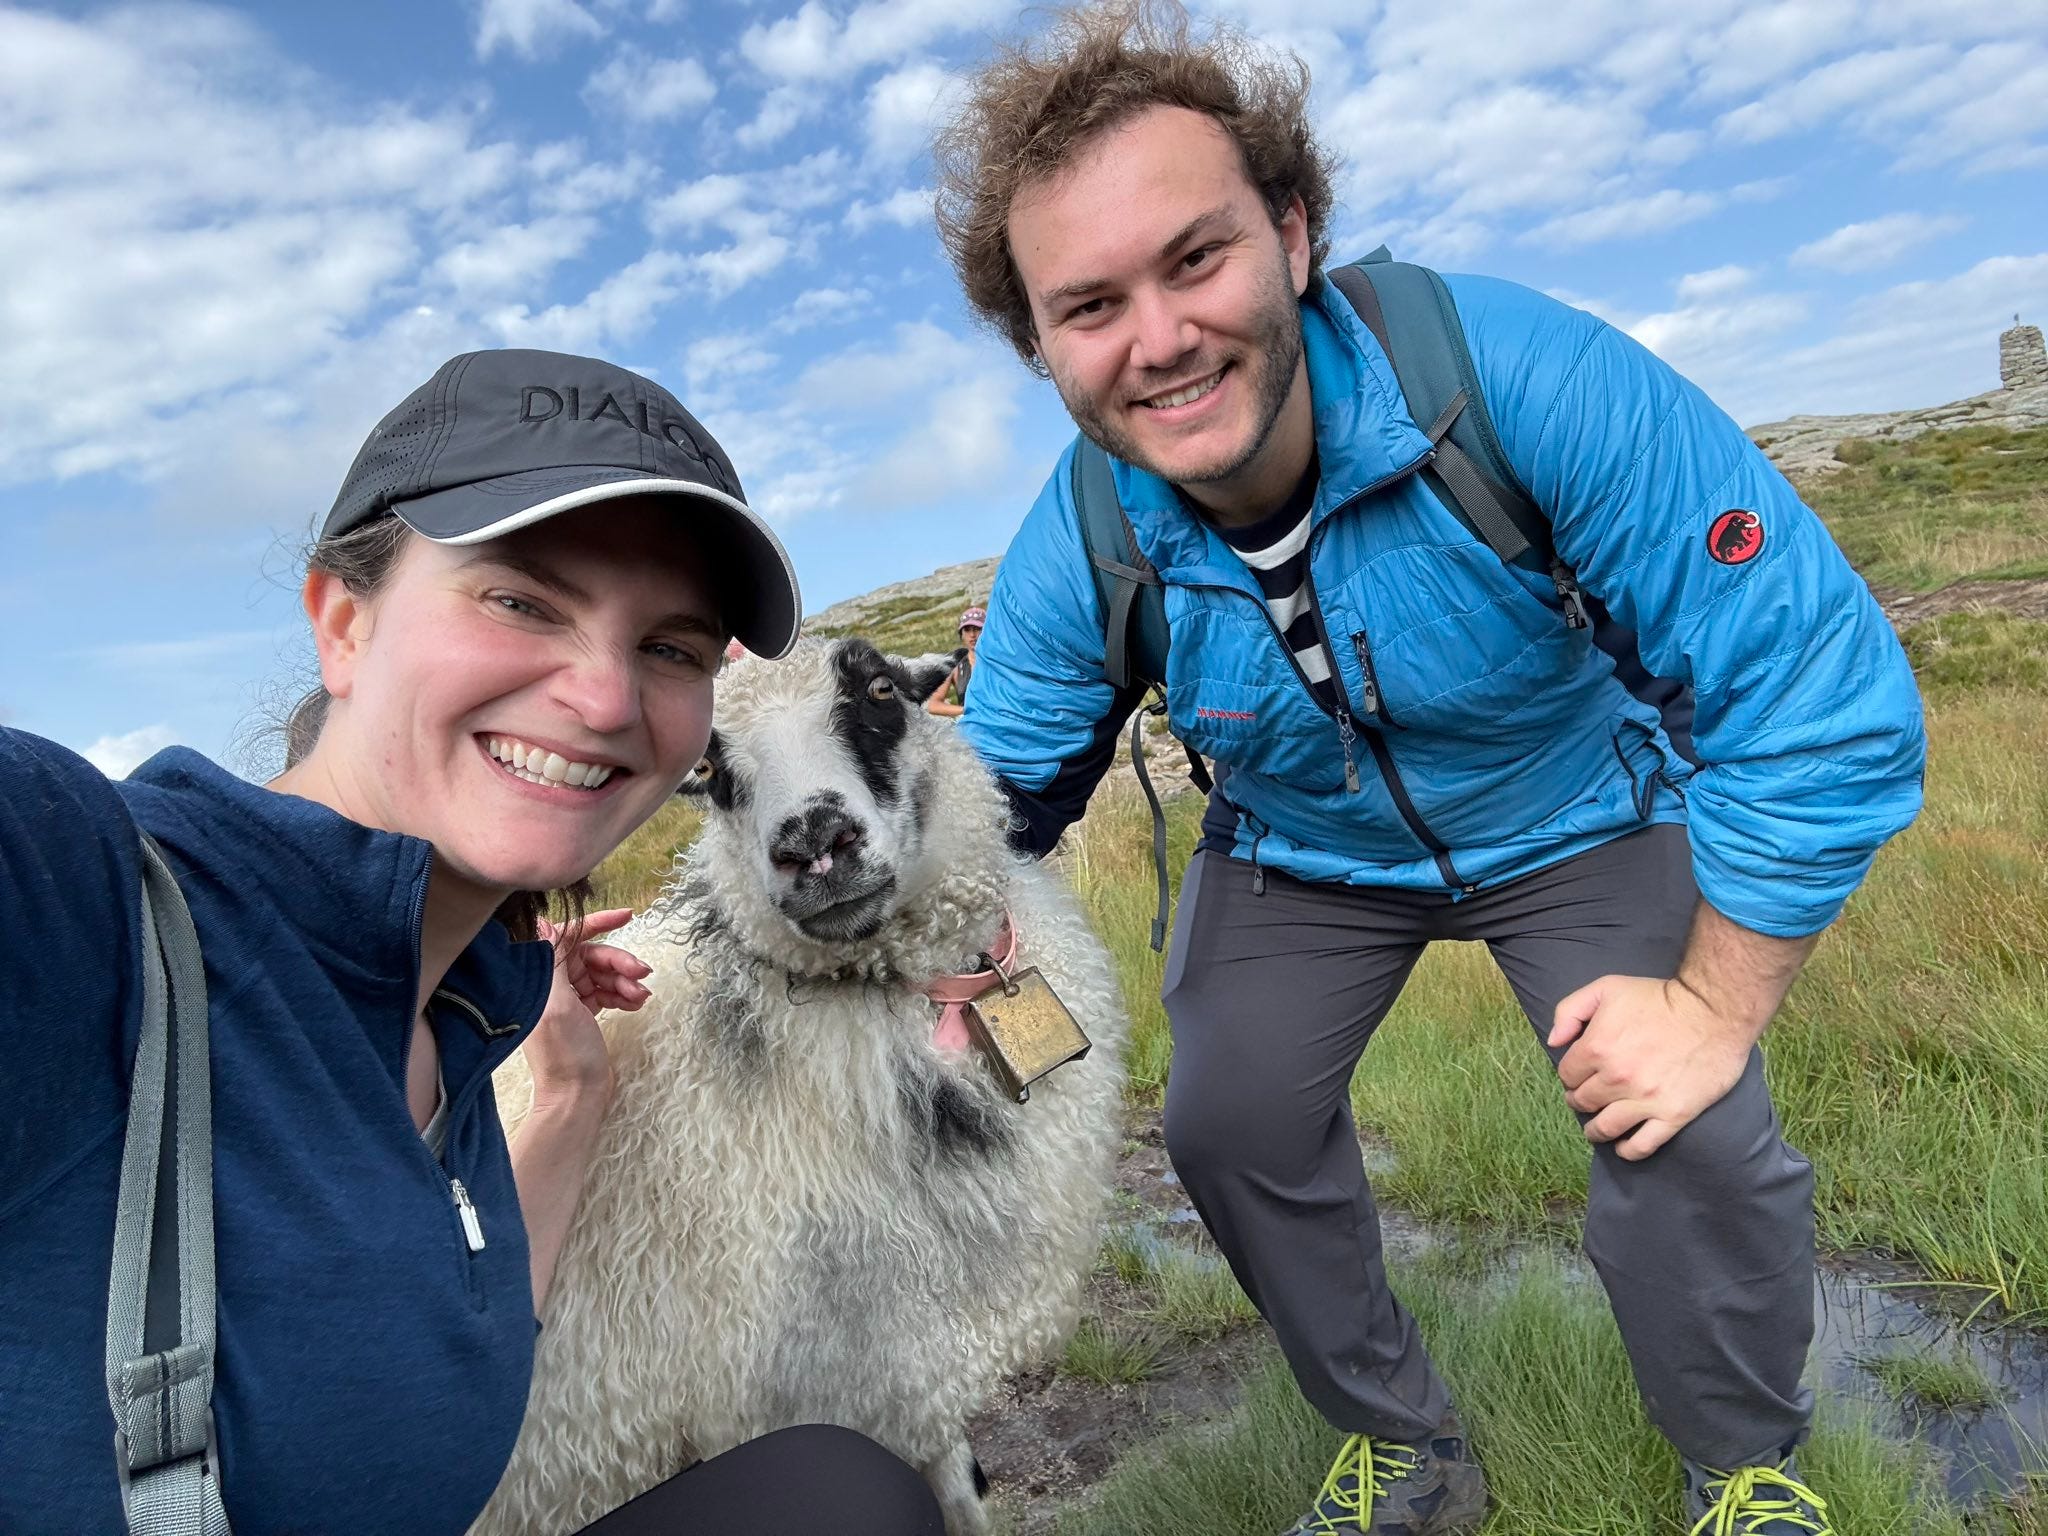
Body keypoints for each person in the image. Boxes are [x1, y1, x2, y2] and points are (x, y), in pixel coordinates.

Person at [932, 6, 1924, 1533]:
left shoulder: (1518, 380)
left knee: (1687, 1124)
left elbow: (1817, 689)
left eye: (1196, 258)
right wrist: (957, 954)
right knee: (1225, 1124)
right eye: (1091, 305)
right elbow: (981, 812)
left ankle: (1744, 1473)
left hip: (1574, 806)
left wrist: (1711, 1010)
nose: (1160, 337)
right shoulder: (1084, 542)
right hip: (1300, 848)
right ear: (1043, 348)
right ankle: (1406, 1448)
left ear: (1292, 233)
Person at [0, 348, 946, 1536]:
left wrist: (573, 1092)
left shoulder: (461, 1007)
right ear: (343, 625)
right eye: (520, 602)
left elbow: (462, 1334)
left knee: (842, 1496)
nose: (605, 700)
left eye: (670, 647)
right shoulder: (78, 895)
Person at [923, 604, 988, 717]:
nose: (972, 635)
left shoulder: (1001, 661)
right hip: (971, 723)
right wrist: (966, 710)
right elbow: (933, 705)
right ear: (961, 634)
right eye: (967, 630)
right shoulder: (956, 666)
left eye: (977, 629)